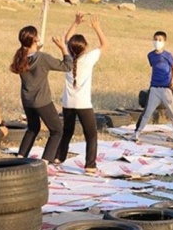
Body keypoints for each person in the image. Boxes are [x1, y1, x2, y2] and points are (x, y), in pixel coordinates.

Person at [54, 12, 109, 175]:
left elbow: (66, 40)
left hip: (67, 103)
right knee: (91, 135)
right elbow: (105, 45)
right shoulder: (88, 58)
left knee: (67, 131)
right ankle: (90, 165)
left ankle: (59, 157)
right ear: (84, 48)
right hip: (83, 104)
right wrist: (97, 28)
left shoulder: (68, 57)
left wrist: (76, 22)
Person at [10, 26, 73, 163]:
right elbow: (67, 66)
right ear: (36, 39)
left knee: (33, 128)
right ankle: (45, 161)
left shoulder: (20, 57)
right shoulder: (43, 58)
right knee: (57, 130)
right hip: (42, 101)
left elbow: (31, 59)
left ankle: (20, 157)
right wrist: (63, 48)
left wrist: (36, 49)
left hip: (27, 100)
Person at [131, 31, 173, 144]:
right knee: (147, 112)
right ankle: (137, 132)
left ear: (164, 41)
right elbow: (153, 66)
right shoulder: (150, 55)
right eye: (155, 39)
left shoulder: (168, 55)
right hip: (154, 88)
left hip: (166, 88)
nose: (157, 42)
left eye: (160, 40)